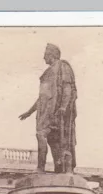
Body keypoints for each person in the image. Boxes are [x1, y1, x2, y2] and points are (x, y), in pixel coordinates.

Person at [19, 43, 77, 173]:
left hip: (56, 111)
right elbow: (42, 98)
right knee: (52, 141)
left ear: (52, 55)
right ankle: (58, 169)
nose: (43, 58)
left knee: (44, 136)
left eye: (45, 55)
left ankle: (41, 168)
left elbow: (68, 88)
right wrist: (29, 112)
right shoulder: (48, 73)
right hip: (45, 112)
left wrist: (63, 107)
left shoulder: (63, 67)